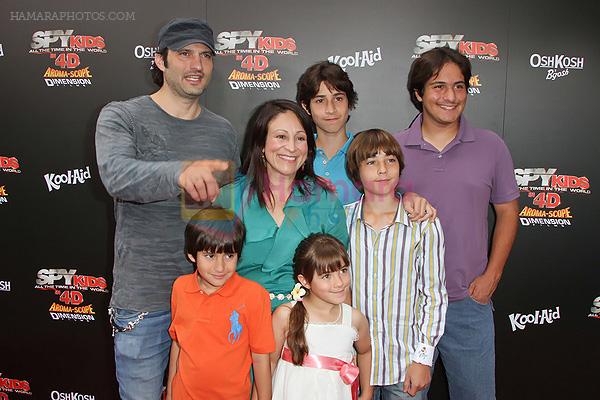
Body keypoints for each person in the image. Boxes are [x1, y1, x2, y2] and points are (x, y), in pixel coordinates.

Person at [95, 18, 238, 399]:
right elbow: (117, 176)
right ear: (160, 61)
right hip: (146, 300)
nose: (197, 64)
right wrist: (181, 172)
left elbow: (223, 211)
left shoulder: (222, 131)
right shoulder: (122, 116)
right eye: (184, 54)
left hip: (208, 295)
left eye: (206, 55)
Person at [395, 47, 519, 399]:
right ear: (418, 93)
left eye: (459, 86)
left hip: (468, 304)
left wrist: (491, 277)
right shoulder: (392, 148)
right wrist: (399, 199)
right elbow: (371, 209)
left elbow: (509, 212)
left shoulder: (491, 146)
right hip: (408, 306)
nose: (450, 97)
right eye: (438, 86)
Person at [214, 99, 348, 311]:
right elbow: (208, 273)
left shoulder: (325, 201)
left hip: (308, 324)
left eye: (300, 138)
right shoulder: (227, 199)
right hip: (239, 320)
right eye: (281, 137)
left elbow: (340, 277)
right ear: (261, 145)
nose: (292, 147)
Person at [344, 129, 447, 399]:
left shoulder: (423, 224)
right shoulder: (342, 222)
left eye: (390, 160)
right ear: (356, 171)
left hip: (404, 367)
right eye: (371, 162)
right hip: (351, 365)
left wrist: (423, 359)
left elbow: (433, 295)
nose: (382, 169)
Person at [296, 61, 434, 217]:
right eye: (320, 100)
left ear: (349, 102)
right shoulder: (295, 153)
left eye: (338, 98)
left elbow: (393, 193)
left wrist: (408, 197)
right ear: (306, 107)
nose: (331, 109)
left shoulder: (368, 153)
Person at [166, 206, 274, 400]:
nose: (220, 267)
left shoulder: (254, 295)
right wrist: (171, 393)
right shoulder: (180, 288)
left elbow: (261, 359)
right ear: (192, 255)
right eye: (209, 256)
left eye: (229, 256)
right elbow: (178, 343)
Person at [271, 233, 373, 400]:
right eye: (327, 276)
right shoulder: (285, 316)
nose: (339, 283)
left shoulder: (355, 319)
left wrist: (367, 392)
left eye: (343, 270)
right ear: (305, 281)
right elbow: (270, 363)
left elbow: (365, 351)